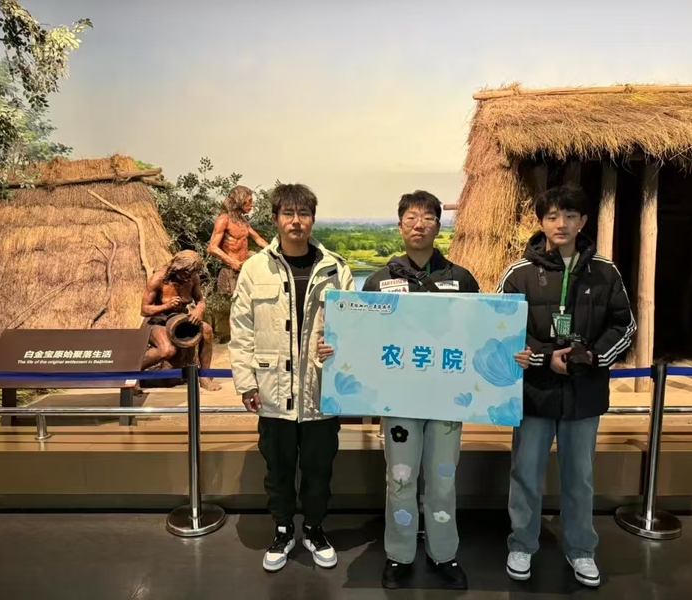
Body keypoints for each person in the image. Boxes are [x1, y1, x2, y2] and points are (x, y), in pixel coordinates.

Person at [499, 185, 636, 588]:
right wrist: (546, 357)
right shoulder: (519, 273)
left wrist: (591, 355)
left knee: (580, 477)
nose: (562, 224)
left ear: (583, 222)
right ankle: (522, 544)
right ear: (541, 222)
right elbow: (503, 329)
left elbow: (625, 326)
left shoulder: (606, 272)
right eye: (553, 216)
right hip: (534, 391)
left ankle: (581, 550)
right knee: (526, 472)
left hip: (584, 390)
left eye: (571, 216)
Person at [229, 183, 355, 573]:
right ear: (275, 219)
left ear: (313, 219)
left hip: (320, 390)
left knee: (319, 469)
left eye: (304, 214)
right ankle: (283, 531)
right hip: (273, 390)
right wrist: (246, 382)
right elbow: (242, 330)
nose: (296, 221)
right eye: (288, 213)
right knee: (279, 470)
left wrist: (339, 349)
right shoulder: (254, 269)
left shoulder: (335, 268)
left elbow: (353, 328)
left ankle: (315, 530)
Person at [363, 190, 479, 591]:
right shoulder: (379, 282)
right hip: (399, 402)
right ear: (400, 226)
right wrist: (336, 348)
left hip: (446, 402)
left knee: (443, 480)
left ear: (438, 226)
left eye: (428, 218)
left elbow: (478, 335)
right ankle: (399, 554)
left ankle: (444, 553)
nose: (419, 225)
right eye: (411, 218)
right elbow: (362, 339)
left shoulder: (461, 279)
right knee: (400, 479)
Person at [140, 249, 220, 391]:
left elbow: (200, 300)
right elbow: (144, 310)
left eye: (191, 275)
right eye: (186, 274)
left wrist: (198, 310)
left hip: (180, 320)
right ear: (177, 269)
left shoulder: (193, 278)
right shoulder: (158, 279)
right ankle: (133, 372)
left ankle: (204, 376)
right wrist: (166, 306)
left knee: (207, 330)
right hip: (158, 322)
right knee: (167, 350)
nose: (188, 278)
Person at [208, 185, 269, 297]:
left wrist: (275, 250)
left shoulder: (243, 220)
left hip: (243, 269)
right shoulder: (224, 219)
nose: (252, 205)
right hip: (229, 270)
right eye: (249, 201)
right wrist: (232, 262)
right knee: (230, 304)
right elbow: (212, 248)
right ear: (240, 200)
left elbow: (257, 238)